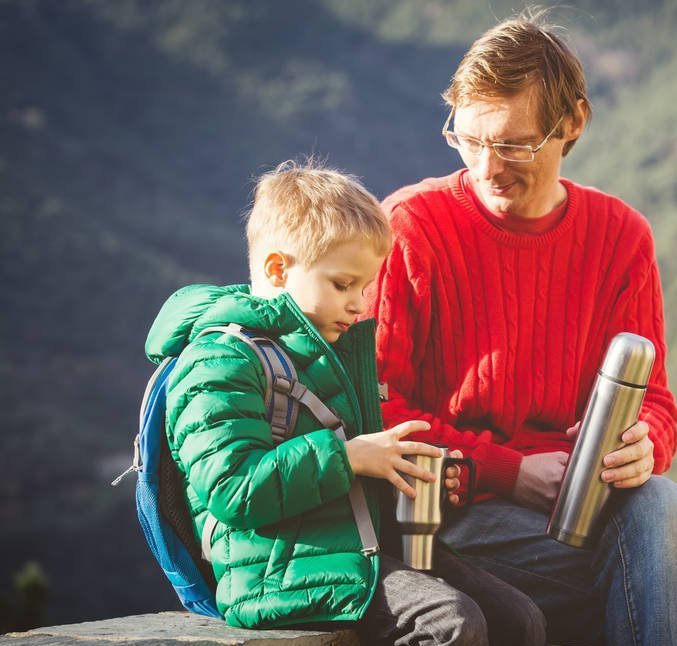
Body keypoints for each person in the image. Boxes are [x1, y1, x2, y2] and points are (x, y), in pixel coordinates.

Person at [365, 10, 677, 646]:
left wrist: (646, 446)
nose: (488, 166)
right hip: (449, 522)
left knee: (664, 504)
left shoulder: (620, 237)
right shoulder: (411, 228)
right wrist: (506, 473)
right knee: (657, 564)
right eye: (470, 140)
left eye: (514, 144)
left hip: (581, 514)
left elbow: (655, 400)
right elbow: (379, 412)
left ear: (573, 122)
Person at [144, 160, 546, 645]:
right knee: (450, 622)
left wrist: (406, 473)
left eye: (364, 286)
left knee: (519, 617)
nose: (359, 304)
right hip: (279, 570)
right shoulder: (220, 360)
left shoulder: (324, 351)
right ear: (278, 268)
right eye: (342, 284)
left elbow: (348, 474)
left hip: (353, 542)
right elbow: (233, 491)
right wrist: (349, 457)